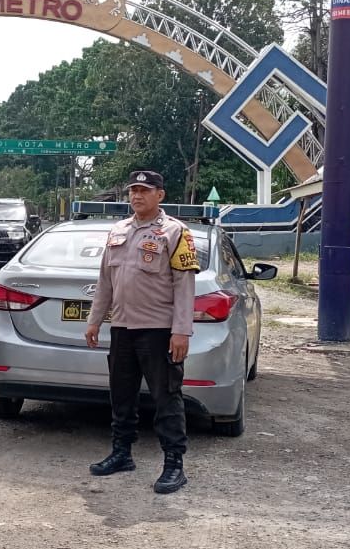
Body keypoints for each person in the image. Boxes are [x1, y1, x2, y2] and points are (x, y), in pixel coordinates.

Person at [83, 170, 200, 494]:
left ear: (160, 195)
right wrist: (95, 320)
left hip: (158, 330)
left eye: (144, 190)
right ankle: (121, 453)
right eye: (133, 190)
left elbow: (184, 286)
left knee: (166, 398)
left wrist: (181, 331)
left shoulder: (175, 232)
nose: (137, 195)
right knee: (121, 395)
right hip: (122, 327)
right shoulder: (118, 230)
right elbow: (105, 281)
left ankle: (174, 464)